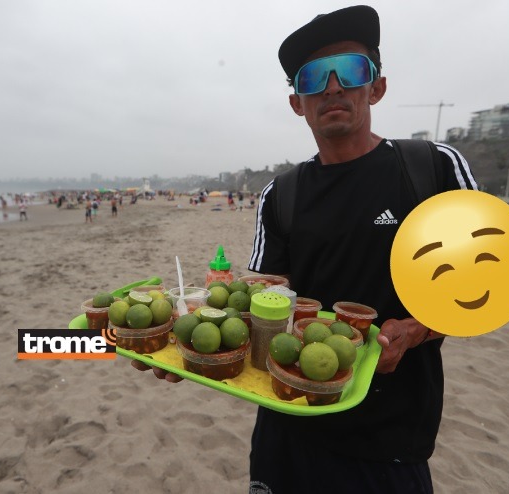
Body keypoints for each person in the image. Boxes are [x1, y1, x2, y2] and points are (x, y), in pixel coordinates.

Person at [133, 6, 478, 493]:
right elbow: (266, 302)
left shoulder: (432, 168)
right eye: (313, 78)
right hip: (286, 418)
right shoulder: (283, 194)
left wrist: (414, 330)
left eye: (350, 70)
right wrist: (184, 348)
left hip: (391, 435)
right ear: (297, 102)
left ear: (377, 86)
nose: (333, 87)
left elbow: (481, 286)